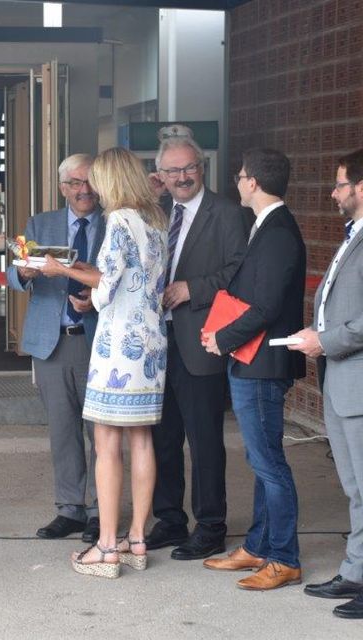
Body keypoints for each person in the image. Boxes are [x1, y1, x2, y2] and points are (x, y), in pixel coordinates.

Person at [40, 147, 167, 579]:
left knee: (107, 444)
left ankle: (107, 548)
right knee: (143, 442)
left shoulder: (119, 221)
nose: (91, 187)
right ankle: (137, 540)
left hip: (118, 345)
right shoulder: (156, 221)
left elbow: (108, 285)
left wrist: (68, 275)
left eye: (96, 179)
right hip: (151, 344)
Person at [202, 147, 306, 590]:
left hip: (262, 362)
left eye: (241, 176)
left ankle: (284, 557)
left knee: (269, 464)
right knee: (261, 459)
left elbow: (266, 305)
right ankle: (259, 547)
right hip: (251, 359)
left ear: (254, 183)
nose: (237, 182)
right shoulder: (266, 225)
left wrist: (221, 338)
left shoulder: (279, 230)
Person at [146, 133, 249, 560]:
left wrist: (194, 288)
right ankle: (170, 520)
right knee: (162, 436)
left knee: (204, 438)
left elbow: (240, 271)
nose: (182, 177)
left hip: (200, 340)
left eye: (189, 168)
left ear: (201, 168)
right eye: (173, 171)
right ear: (161, 175)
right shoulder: (158, 211)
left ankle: (210, 525)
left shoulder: (226, 212)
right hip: (158, 341)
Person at [6, 154, 105, 544]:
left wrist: (95, 300)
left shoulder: (114, 222)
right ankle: (70, 509)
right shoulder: (40, 223)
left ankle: (101, 509)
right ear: (63, 188)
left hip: (98, 340)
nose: (84, 191)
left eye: (90, 182)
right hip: (52, 341)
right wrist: (23, 272)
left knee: (102, 432)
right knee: (62, 429)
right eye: (76, 183)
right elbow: (15, 275)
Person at [288, 149, 363, 618]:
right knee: (355, 487)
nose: (333, 193)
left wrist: (325, 340)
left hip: (355, 377)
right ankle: (356, 571)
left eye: (340, 185)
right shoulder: (352, 234)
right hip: (343, 381)